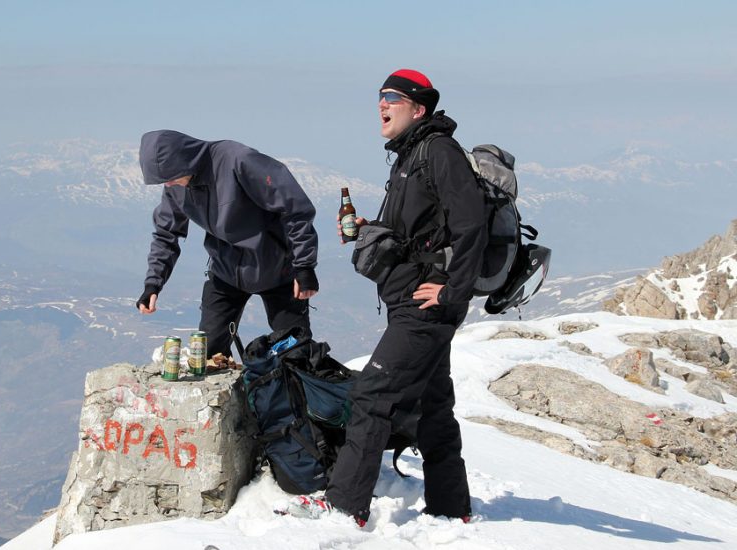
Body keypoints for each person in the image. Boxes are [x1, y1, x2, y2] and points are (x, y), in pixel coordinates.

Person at [291, 69, 488, 525]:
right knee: (435, 407)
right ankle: (450, 507)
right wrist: (368, 233)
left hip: (427, 305)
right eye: (379, 96)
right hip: (412, 301)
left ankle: (345, 506)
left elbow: (471, 224)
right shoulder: (409, 156)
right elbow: (416, 231)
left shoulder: (439, 152)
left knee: (371, 396)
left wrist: (452, 292)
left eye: (393, 98)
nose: (382, 104)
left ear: (418, 109)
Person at [135, 130, 319, 356]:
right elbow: (166, 233)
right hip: (226, 272)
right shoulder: (176, 186)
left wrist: (304, 266)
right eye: (165, 180)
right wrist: (153, 284)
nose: (170, 184)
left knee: (296, 351)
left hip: (277, 270)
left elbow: (294, 208)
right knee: (208, 353)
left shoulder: (238, 160)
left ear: (185, 160)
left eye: (172, 176)